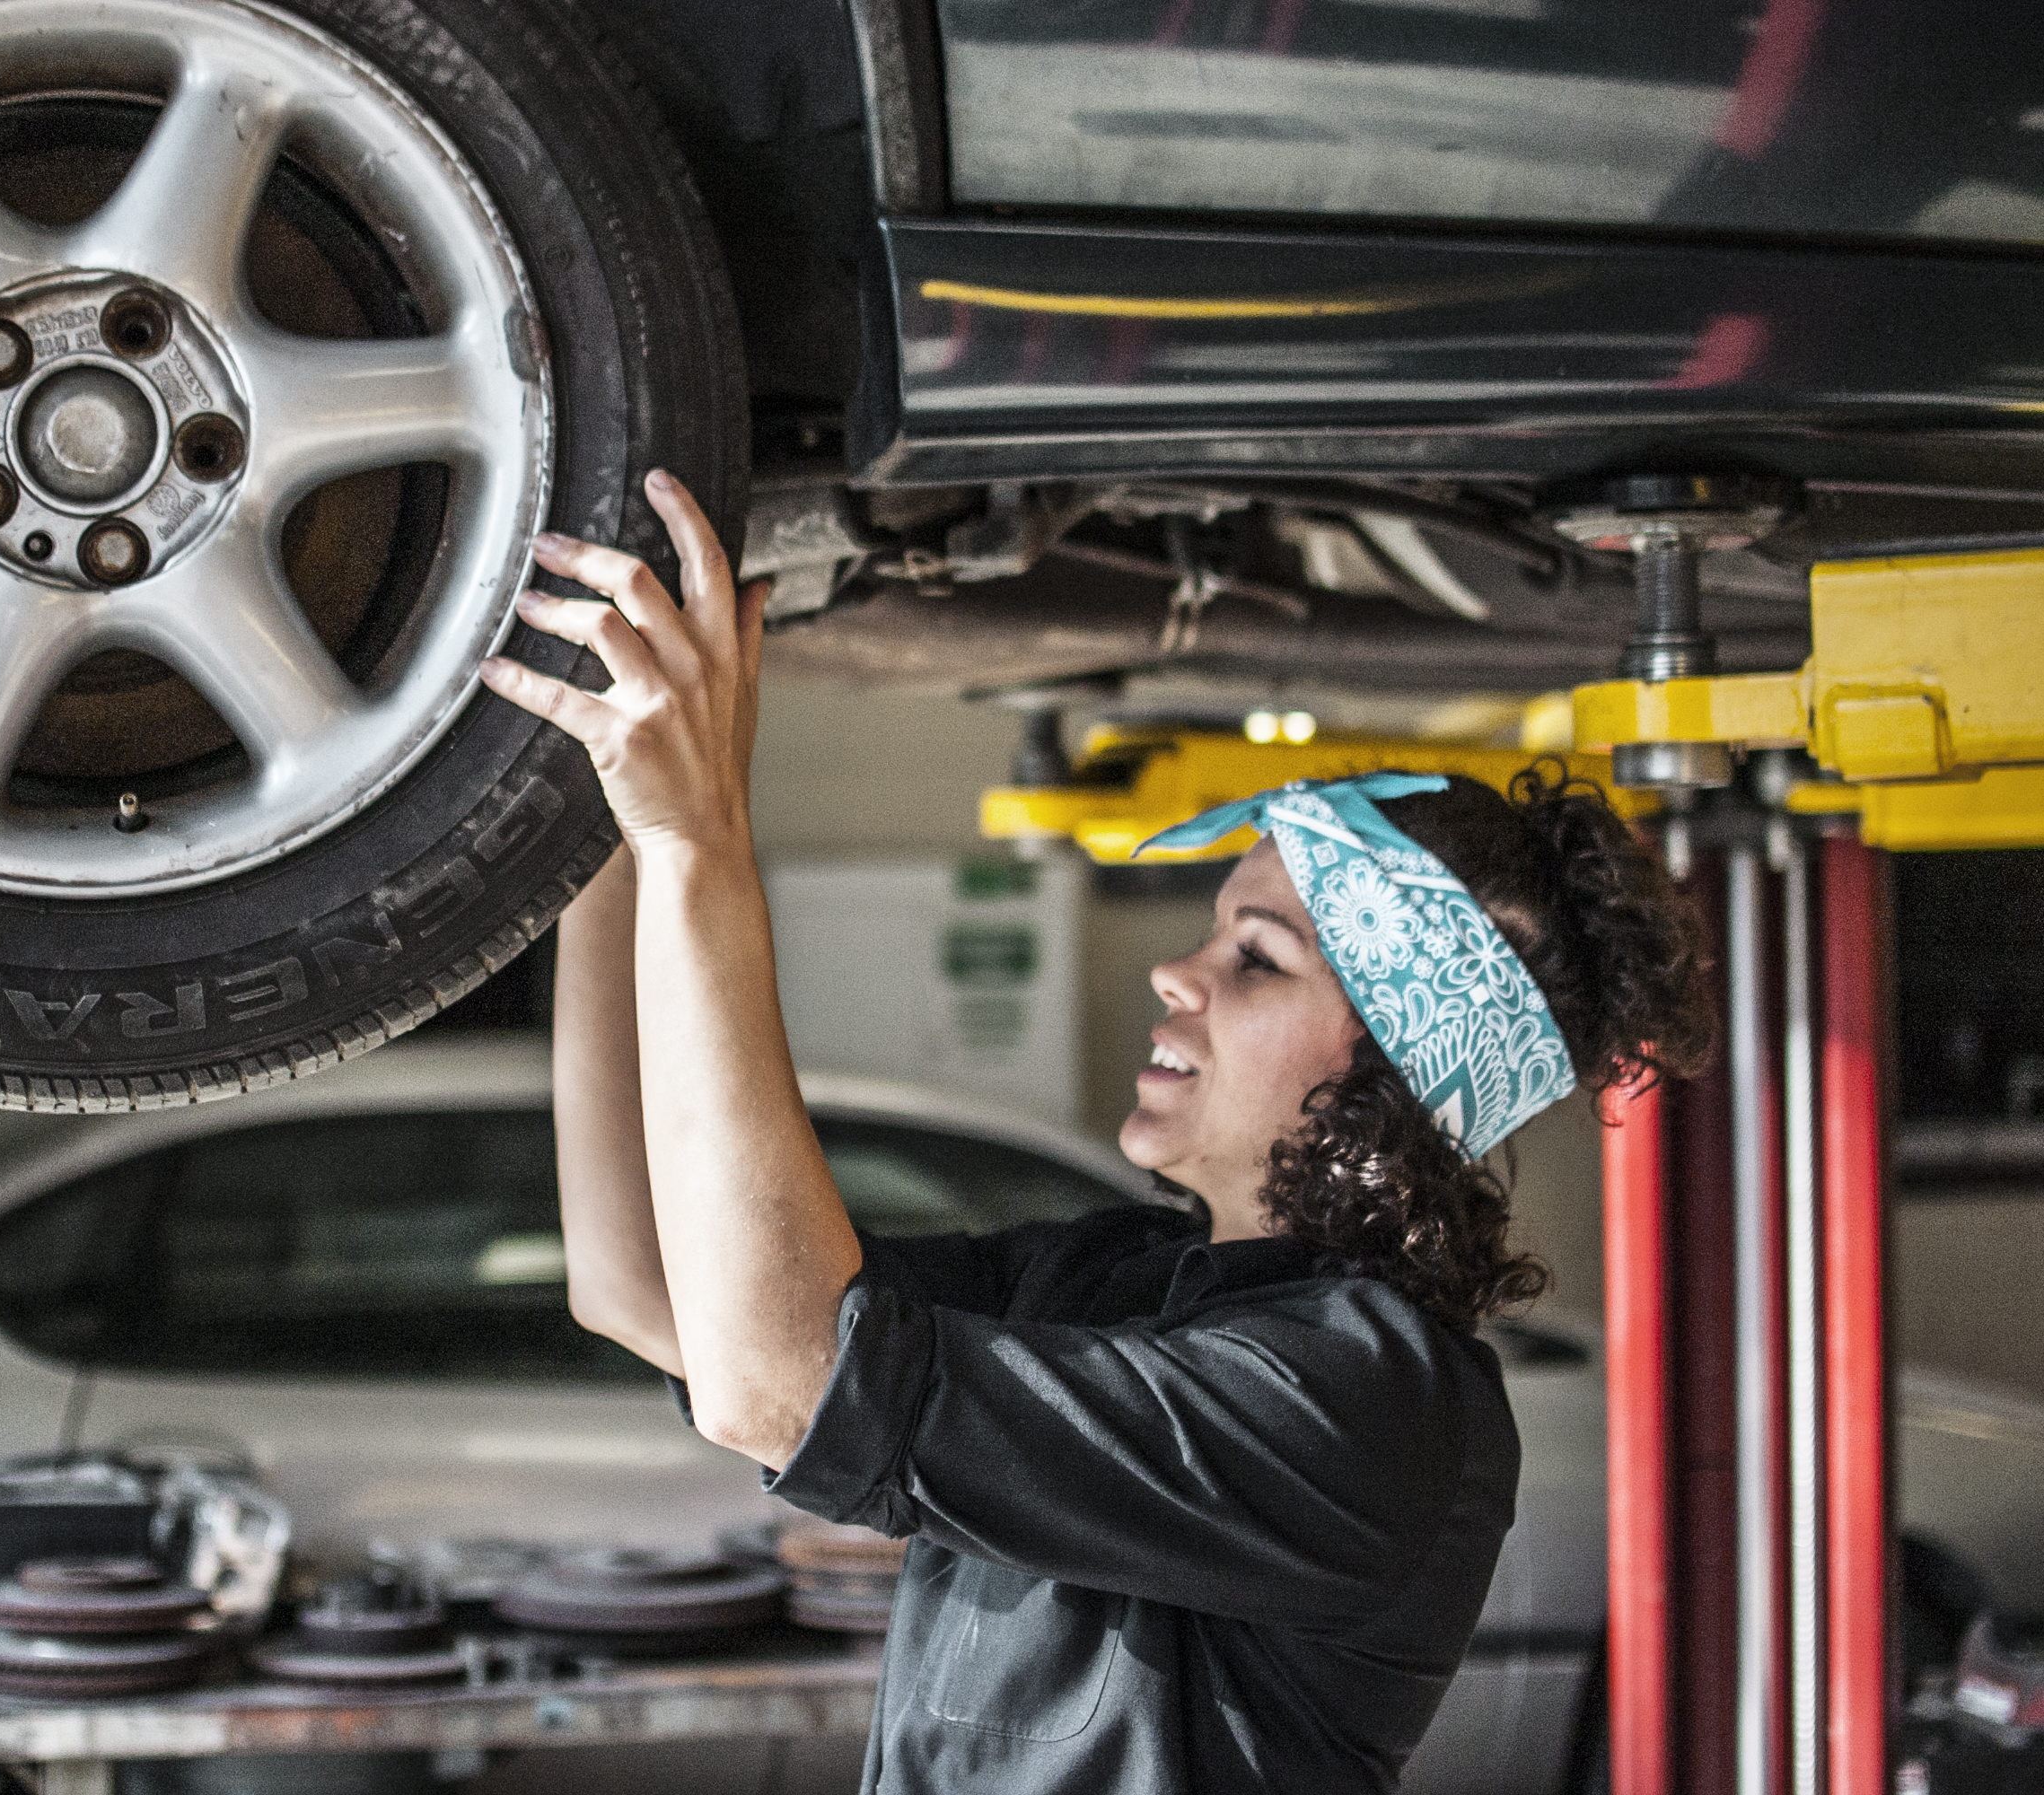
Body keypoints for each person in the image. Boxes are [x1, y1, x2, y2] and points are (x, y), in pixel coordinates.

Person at [478, 469, 1715, 1793]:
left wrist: (700, 843)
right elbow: (651, 1291)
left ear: (1395, 1081)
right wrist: (607, 829)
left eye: (1256, 959)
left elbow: (782, 1380)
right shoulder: (1115, 1284)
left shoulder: (1370, 1405)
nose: (1176, 975)